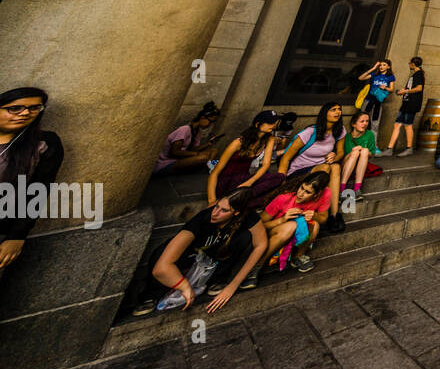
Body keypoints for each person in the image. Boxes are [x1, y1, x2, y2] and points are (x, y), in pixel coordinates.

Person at [128, 188, 267, 316]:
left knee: (245, 237)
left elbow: (261, 244)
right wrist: (185, 287)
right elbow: (161, 268)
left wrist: (233, 285)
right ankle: (149, 295)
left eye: (224, 210)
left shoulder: (248, 216)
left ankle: (218, 280)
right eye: (217, 206)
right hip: (184, 258)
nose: (215, 213)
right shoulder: (202, 219)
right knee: (161, 256)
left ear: (236, 213)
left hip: (208, 258)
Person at [0, 88, 65, 270]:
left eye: (34, 108)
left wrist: (17, 235)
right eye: (15, 108)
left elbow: (39, 190)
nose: (26, 113)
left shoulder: (43, 144)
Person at [279, 103, 348, 232]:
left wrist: (334, 157)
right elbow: (285, 157)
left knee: (336, 167)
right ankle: (321, 211)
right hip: (298, 172)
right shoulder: (310, 132)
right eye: (333, 110)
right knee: (326, 168)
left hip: (320, 169)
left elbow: (340, 152)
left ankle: (333, 215)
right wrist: (281, 182)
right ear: (325, 113)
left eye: (339, 109)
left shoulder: (340, 130)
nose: (337, 112)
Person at [206, 110, 286, 208]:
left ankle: (237, 202)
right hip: (228, 181)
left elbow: (266, 165)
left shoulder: (269, 139)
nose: (273, 125)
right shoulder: (238, 143)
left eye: (275, 122)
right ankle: (236, 201)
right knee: (263, 194)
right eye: (270, 122)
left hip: (245, 180)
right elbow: (215, 172)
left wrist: (249, 182)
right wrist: (212, 200)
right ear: (257, 124)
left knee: (280, 178)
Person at [260, 172, 332, 274]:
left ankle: (297, 257)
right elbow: (259, 225)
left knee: (314, 225)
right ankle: (257, 265)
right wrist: (282, 219)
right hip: (273, 234)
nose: (300, 194)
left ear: (317, 194)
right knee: (291, 226)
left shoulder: (326, 194)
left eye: (307, 192)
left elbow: (324, 218)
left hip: (295, 237)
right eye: (302, 188)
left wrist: (315, 216)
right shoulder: (284, 198)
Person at [154, 106, 220, 175]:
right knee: (203, 157)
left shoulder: (198, 132)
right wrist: (197, 154)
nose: (210, 125)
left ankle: (208, 166)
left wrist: (209, 143)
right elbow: (174, 152)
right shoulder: (185, 129)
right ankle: (206, 166)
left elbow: (193, 149)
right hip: (166, 162)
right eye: (210, 121)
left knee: (214, 150)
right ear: (202, 117)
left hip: (179, 159)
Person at [387, 56, 425, 157]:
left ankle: (409, 149)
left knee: (408, 126)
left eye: (410, 63)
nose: (409, 65)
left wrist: (406, 91)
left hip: (411, 104)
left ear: (413, 64)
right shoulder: (415, 75)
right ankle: (389, 149)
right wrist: (402, 92)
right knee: (397, 124)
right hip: (406, 103)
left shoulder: (419, 74)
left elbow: (419, 88)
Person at [338, 111, 377, 201]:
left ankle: (357, 189)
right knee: (355, 152)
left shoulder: (369, 134)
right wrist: (355, 151)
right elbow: (342, 155)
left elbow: (372, 153)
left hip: (360, 165)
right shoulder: (346, 137)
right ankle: (341, 189)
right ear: (353, 124)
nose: (365, 124)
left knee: (365, 150)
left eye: (367, 121)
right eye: (362, 121)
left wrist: (362, 149)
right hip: (346, 164)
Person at [357, 59, 396, 130]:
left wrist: (385, 88)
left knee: (375, 123)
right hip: (368, 100)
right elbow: (360, 78)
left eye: (384, 65)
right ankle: (360, 139)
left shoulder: (390, 77)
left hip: (378, 102)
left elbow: (391, 89)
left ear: (388, 67)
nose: (381, 67)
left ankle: (372, 140)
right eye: (380, 65)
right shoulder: (374, 74)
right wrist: (373, 68)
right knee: (362, 120)